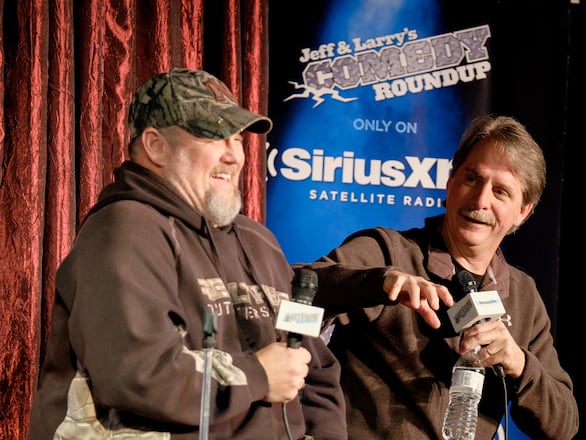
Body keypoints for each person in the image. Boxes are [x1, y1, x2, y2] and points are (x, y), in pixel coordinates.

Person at [28, 68, 347, 440]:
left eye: (237, 137)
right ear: (155, 146)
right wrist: (258, 376)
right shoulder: (123, 230)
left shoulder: (260, 241)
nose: (234, 155)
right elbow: (137, 374)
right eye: (213, 135)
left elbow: (315, 362)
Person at [294, 115, 579, 439]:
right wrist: (375, 283)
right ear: (450, 181)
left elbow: (563, 426)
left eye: (500, 192)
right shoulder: (388, 251)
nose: (481, 200)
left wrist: (518, 362)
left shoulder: (522, 293)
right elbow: (285, 293)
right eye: (472, 179)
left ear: (522, 212)